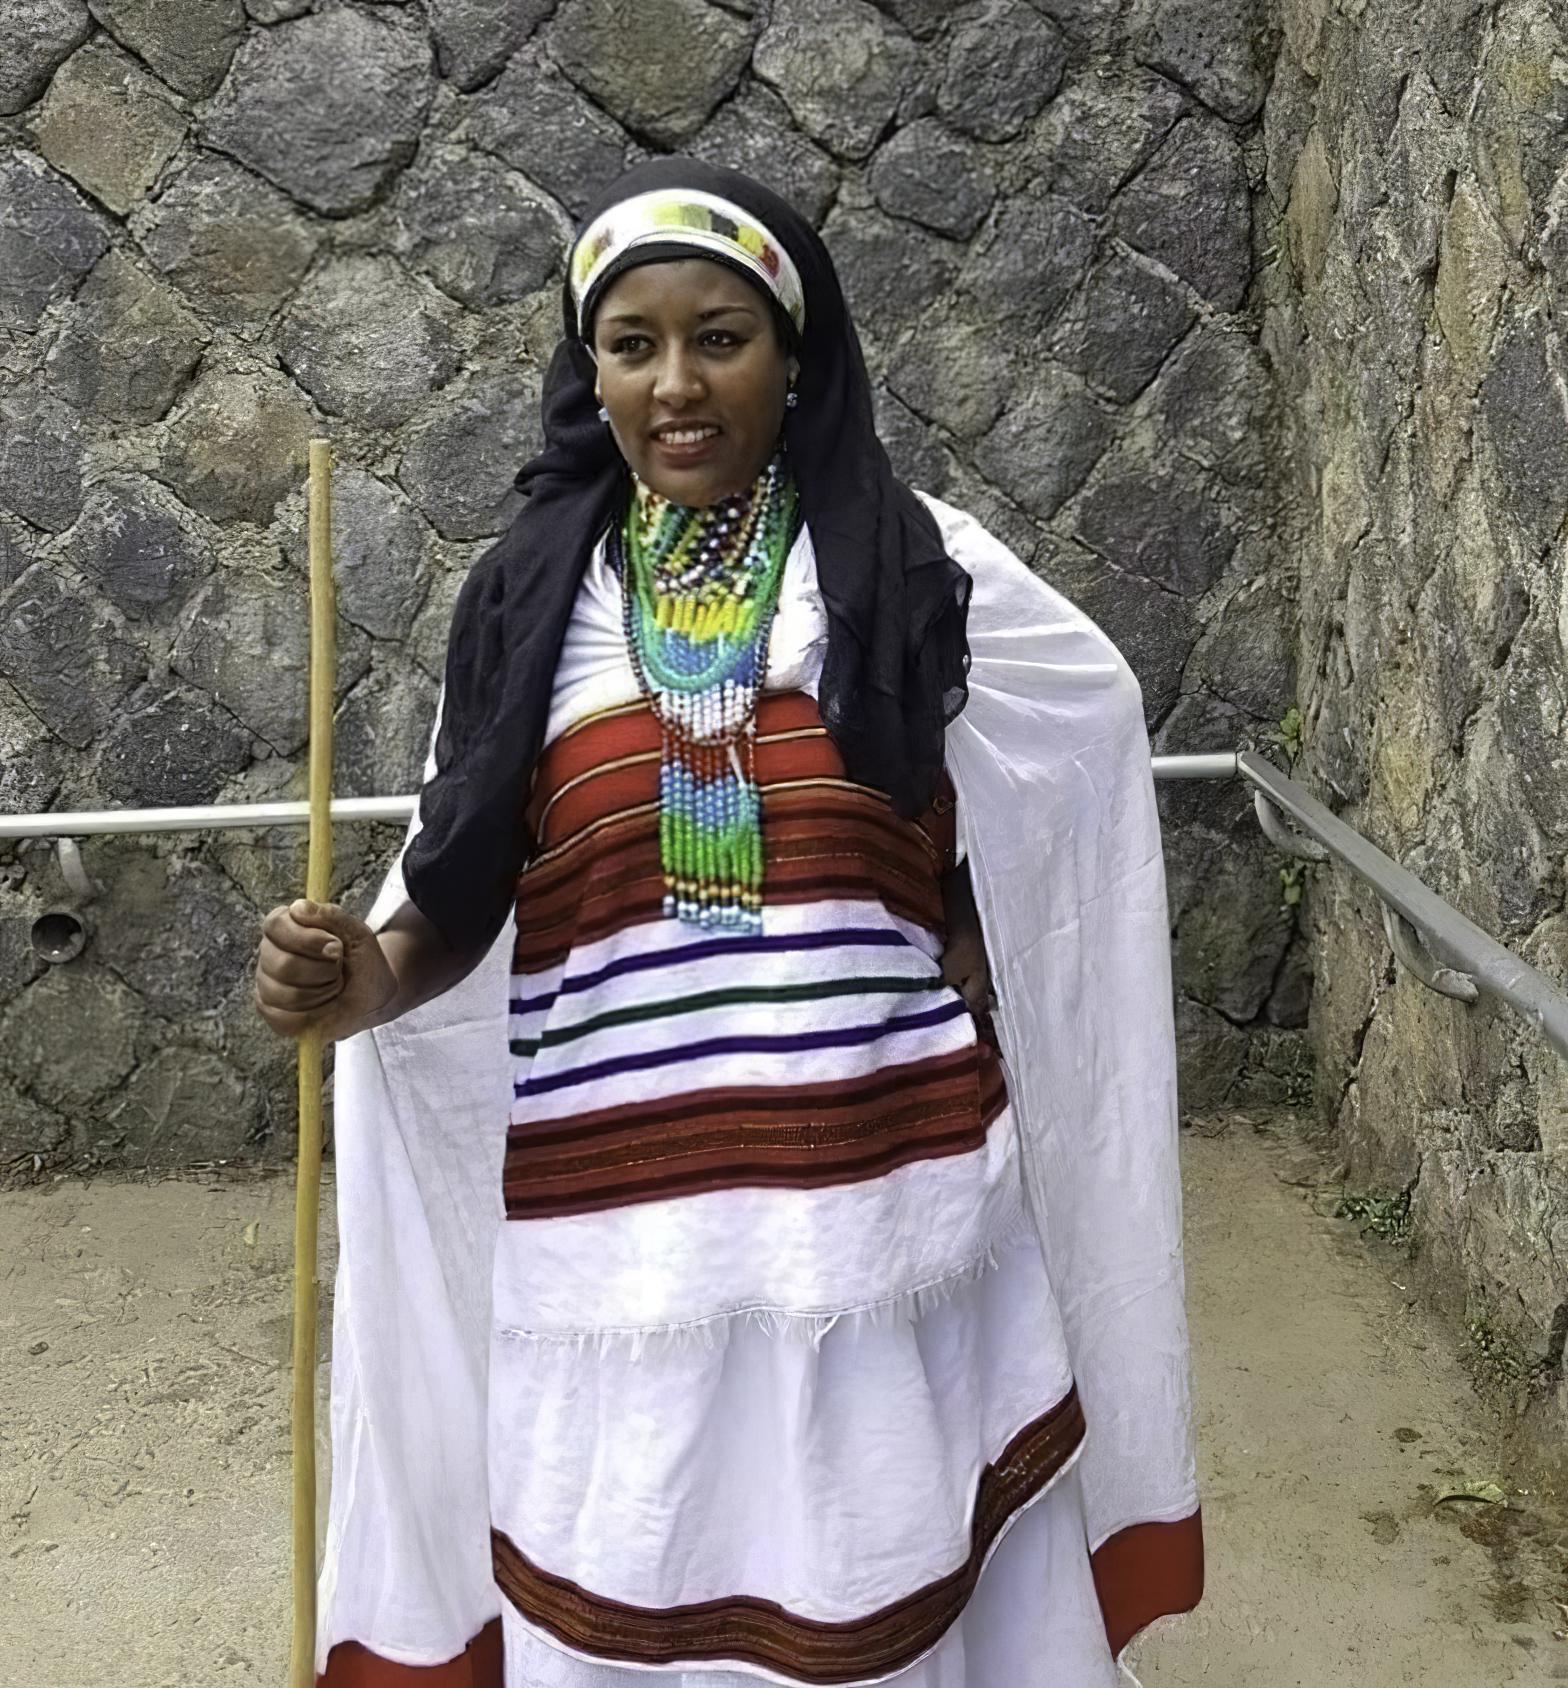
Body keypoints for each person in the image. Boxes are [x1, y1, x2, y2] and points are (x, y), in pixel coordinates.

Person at [255, 158, 1202, 1688]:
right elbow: (456, 895)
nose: (677, 385)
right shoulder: (529, 606)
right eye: (633, 346)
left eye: (721, 338)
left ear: (795, 354)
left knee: (891, 1598)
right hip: (627, 1251)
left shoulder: (915, 565)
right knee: (635, 1585)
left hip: (884, 1224)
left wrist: (988, 924)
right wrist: (369, 980)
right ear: (593, 373)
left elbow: (1070, 750)